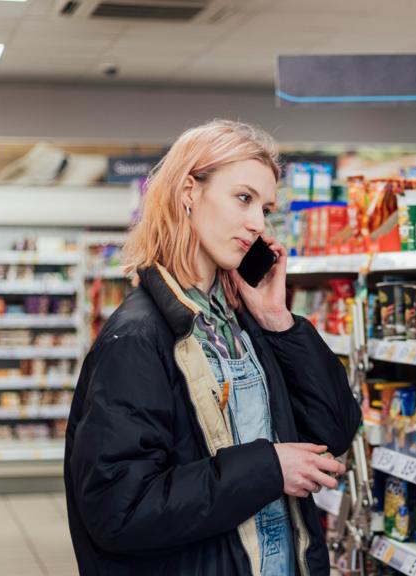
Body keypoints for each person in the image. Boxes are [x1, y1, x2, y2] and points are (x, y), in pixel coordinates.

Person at [64, 119, 361, 575]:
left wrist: (279, 323)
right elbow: (118, 511)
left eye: (265, 207)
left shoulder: (244, 322)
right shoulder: (138, 338)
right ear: (189, 191)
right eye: (243, 198)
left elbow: (334, 432)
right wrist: (268, 469)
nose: (257, 223)